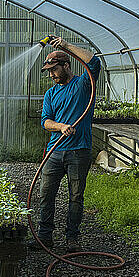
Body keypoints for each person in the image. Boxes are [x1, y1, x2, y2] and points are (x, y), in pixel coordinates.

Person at [30, 36, 102, 253]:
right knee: (46, 194)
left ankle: (72, 239)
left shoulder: (82, 85)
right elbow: (46, 121)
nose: (51, 75)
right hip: (55, 150)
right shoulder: (51, 93)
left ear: (66, 65)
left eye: (54, 69)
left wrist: (66, 46)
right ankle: (45, 237)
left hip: (79, 151)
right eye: (49, 71)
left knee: (76, 196)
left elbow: (94, 62)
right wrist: (60, 126)